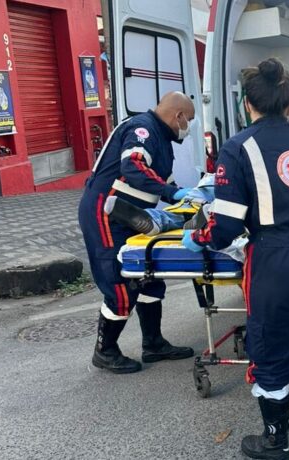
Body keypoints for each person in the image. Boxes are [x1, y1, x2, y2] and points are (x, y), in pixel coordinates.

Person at [181, 58, 289, 460]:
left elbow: (226, 227)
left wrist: (199, 238)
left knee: (271, 354)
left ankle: (275, 442)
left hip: (277, 262)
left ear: (248, 104)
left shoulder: (238, 147)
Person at [79, 91, 196, 374]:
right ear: (178, 116)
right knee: (120, 284)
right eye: (189, 120)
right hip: (107, 213)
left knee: (149, 276)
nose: (188, 126)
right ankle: (105, 351)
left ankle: (153, 344)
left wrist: (188, 198)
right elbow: (132, 166)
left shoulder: (163, 140)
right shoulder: (141, 129)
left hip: (134, 216)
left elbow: (162, 180)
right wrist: (172, 192)